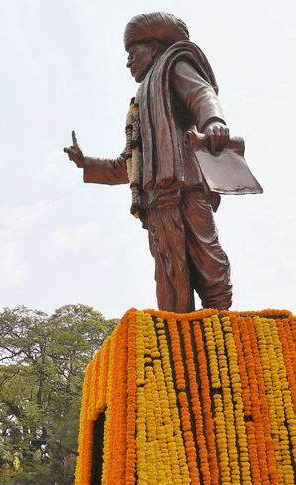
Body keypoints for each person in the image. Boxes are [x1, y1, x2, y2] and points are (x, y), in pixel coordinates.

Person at [64, 12, 233, 314]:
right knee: (170, 271)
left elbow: (201, 93)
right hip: (156, 199)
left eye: (132, 53)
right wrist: (85, 162)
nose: (128, 62)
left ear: (153, 47)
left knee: (208, 258)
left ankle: (222, 326)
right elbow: (128, 164)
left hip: (187, 185)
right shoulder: (139, 103)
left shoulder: (172, 67)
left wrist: (213, 120)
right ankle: (177, 340)